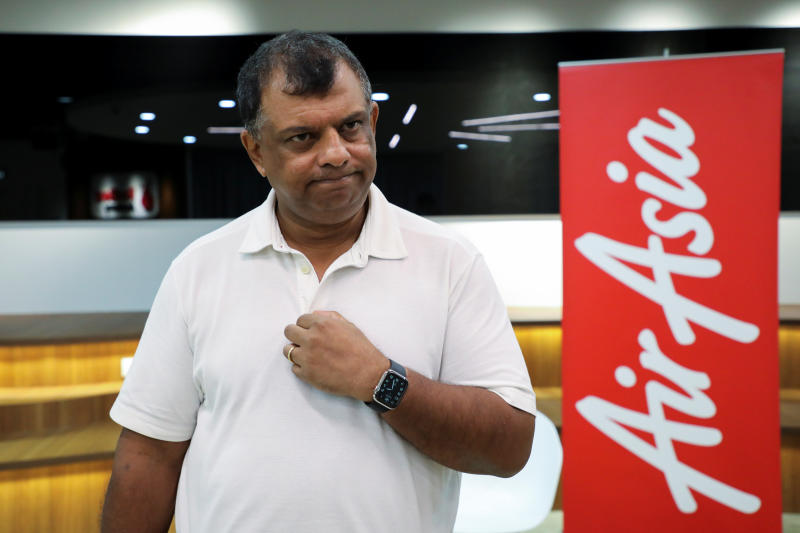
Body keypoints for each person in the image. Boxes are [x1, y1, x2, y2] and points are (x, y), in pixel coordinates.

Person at [101, 30, 536, 533]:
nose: (335, 153)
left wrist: (380, 381)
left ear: (372, 123)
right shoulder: (199, 269)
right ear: (257, 152)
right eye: (303, 138)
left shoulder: (450, 263)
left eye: (350, 126)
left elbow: (509, 446)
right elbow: (150, 455)